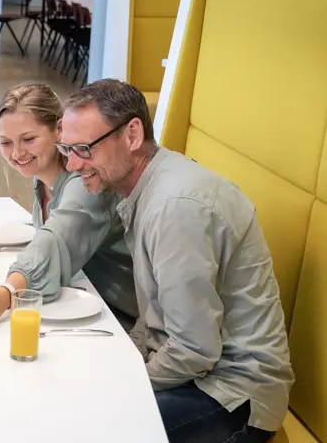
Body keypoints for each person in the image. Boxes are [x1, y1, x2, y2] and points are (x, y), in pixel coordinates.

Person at [55, 78, 293, 442]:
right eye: (67, 149)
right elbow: (152, 320)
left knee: (84, 427)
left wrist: (121, 383)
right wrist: (118, 365)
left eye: (84, 149)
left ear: (132, 134)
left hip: (233, 396)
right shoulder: (146, 189)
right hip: (198, 376)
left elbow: (195, 350)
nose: (72, 164)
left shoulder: (175, 207)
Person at [0, 81, 137, 330]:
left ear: (59, 130)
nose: (17, 153)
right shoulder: (42, 177)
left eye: (28, 139)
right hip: (80, 297)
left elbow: (56, 236)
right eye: (6, 142)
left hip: (120, 317)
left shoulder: (86, 180)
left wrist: (6, 295)